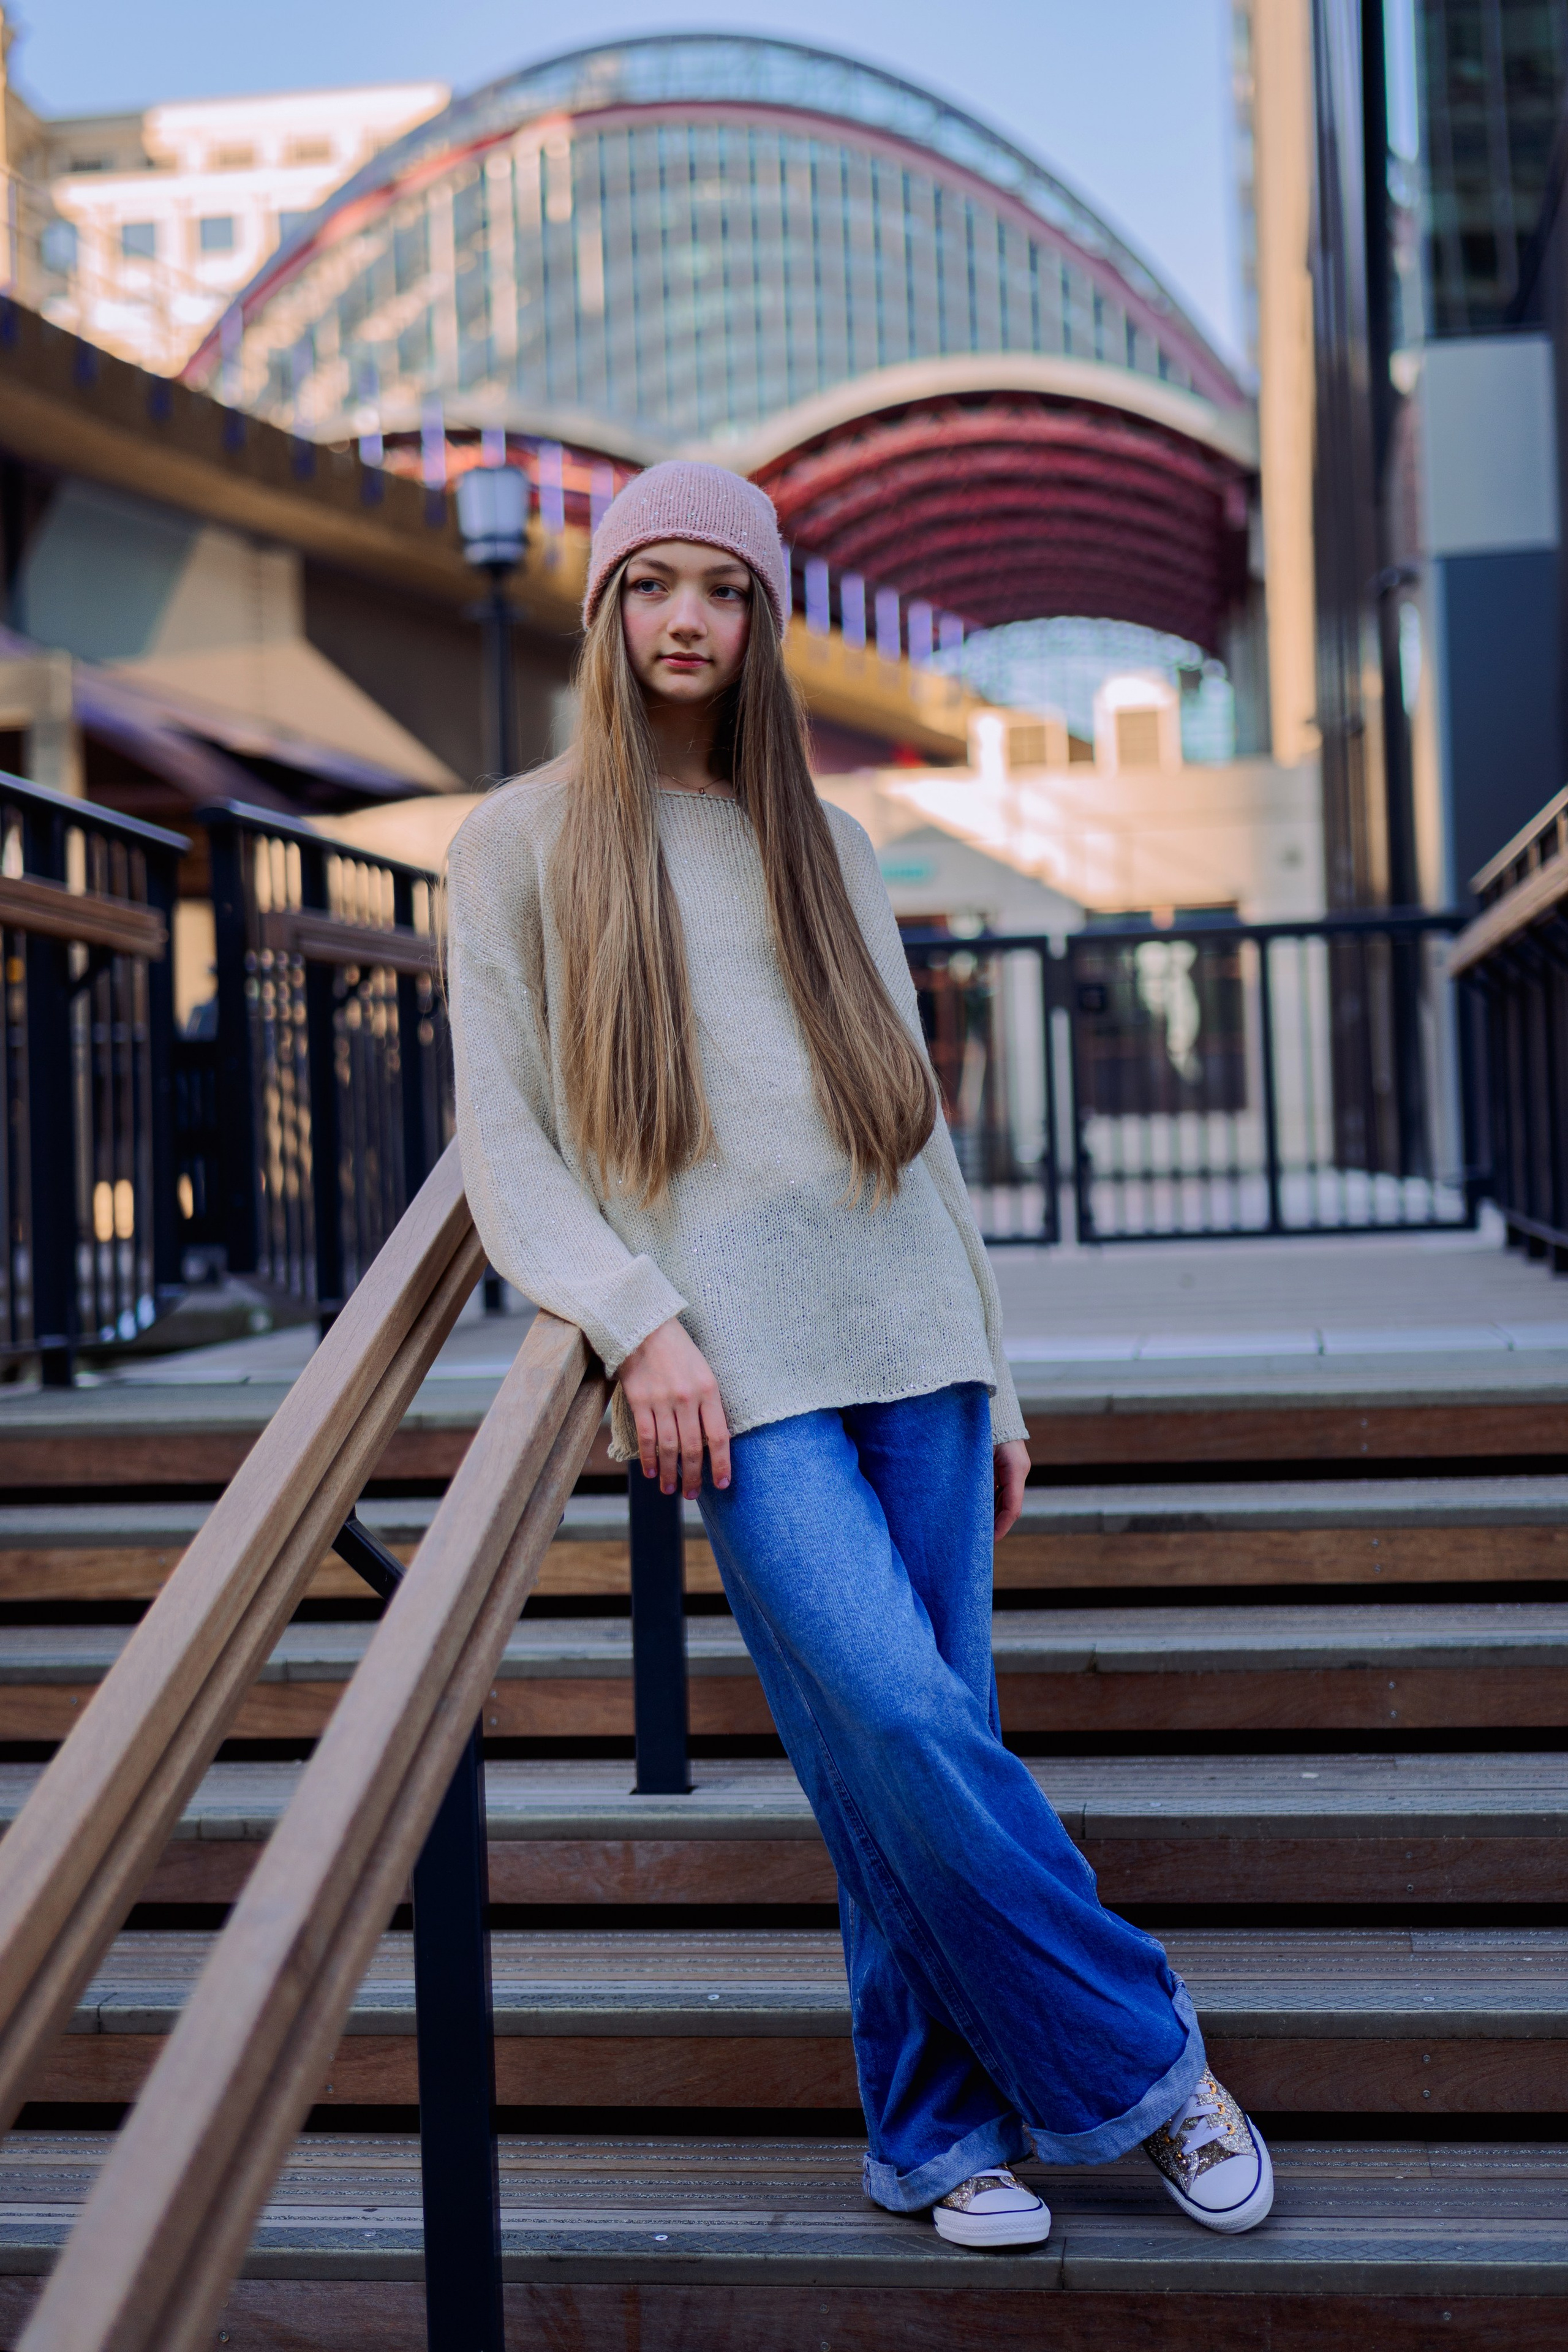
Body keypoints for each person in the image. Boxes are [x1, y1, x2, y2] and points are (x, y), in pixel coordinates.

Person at [445, 460, 1273, 2248]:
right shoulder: (515, 845)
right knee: (893, 1717)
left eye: (722, 590)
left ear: (763, 622)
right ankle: (1152, 2065)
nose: (685, 620)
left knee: (908, 1752)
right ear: (603, 612)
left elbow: (920, 1139)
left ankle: (933, 2138)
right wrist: (636, 1322)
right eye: (652, 584)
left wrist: (1001, 1378)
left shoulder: (823, 843)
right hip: (733, 1365)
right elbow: (508, 1144)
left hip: (915, 1332)